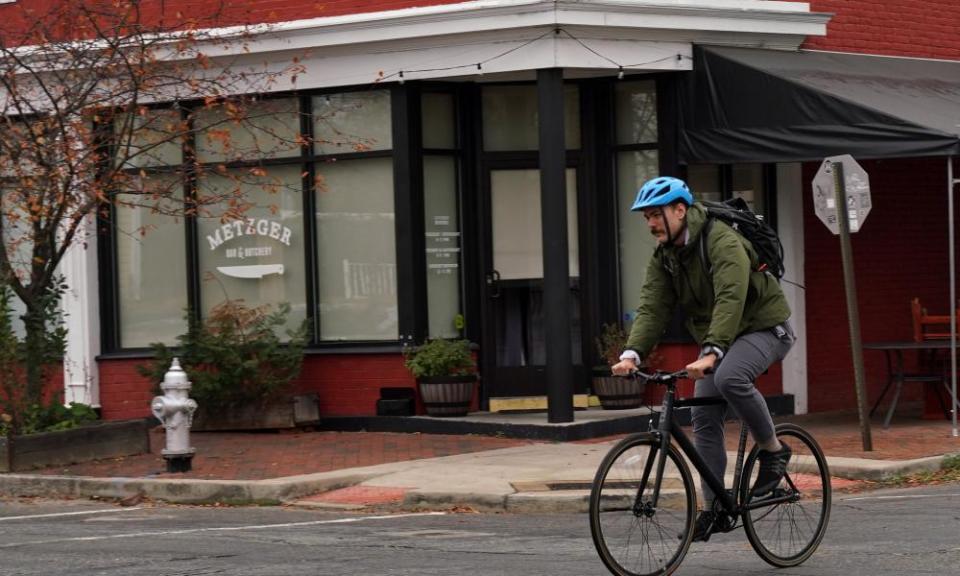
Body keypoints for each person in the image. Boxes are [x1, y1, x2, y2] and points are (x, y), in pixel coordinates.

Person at [611, 176, 795, 543]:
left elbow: (731, 297)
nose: (650, 224)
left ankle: (774, 451)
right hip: (723, 339)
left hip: (765, 328)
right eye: (646, 217)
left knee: (729, 378)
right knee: (703, 415)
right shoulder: (666, 256)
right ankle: (714, 509)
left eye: (656, 215)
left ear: (680, 209)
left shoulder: (721, 241)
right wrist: (632, 353)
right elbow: (652, 306)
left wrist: (712, 351)